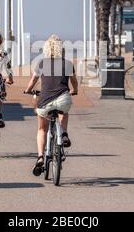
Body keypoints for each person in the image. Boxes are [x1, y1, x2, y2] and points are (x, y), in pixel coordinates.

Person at [24, 35, 79, 176]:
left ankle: (40, 157)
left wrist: (28, 90)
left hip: (45, 101)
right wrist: (75, 91)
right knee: (64, 111)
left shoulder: (42, 63)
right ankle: (64, 134)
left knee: (42, 129)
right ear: (61, 49)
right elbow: (74, 83)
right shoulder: (67, 64)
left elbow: (32, 82)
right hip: (63, 99)